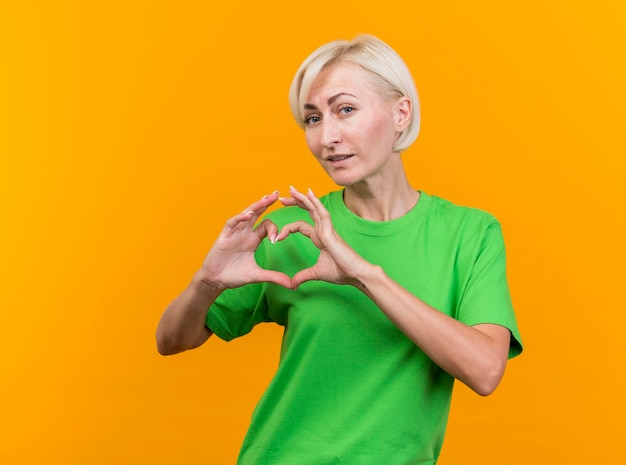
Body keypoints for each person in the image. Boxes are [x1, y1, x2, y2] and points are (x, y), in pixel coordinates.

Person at [156, 34, 522, 464]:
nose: (327, 136)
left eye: (345, 109)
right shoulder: (295, 231)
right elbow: (171, 340)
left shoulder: (469, 234)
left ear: (401, 112)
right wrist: (206, 282)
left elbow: (485, 371)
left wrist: (365, 276)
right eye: (313, 119)